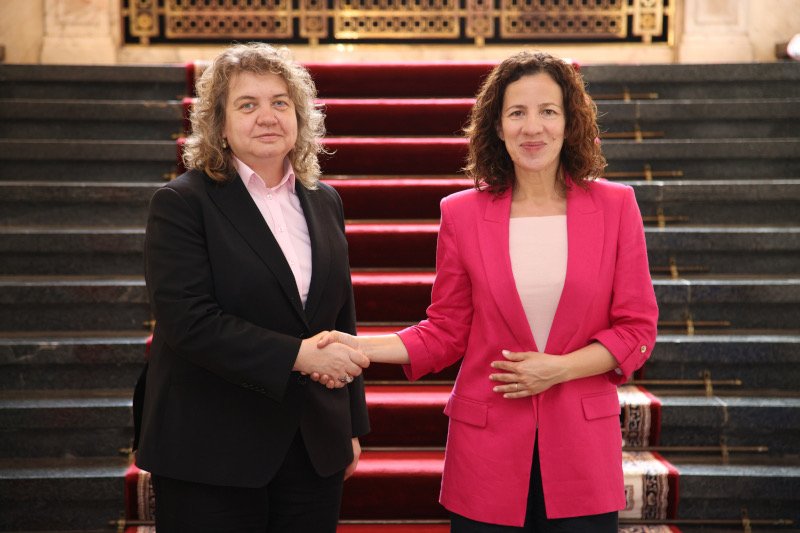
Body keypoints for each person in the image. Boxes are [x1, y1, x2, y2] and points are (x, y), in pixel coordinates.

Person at [317, 50, 658, 531]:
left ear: (569, 122)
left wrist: (558, 369)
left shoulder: (616, 206)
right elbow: (445, 331)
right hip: (487, 451)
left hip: (582, 451)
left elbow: (636, 329)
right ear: (497, 126)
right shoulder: (462, 214)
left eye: (548, 111)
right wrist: (359, 347)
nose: (532, 127)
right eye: (516, 113)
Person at [133, 42, 370, 533]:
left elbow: (338, 318)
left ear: (299, 117)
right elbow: (188, 322)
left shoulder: (324, 200)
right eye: (247, 104)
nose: (268, 116)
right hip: (211, 447)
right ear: (219, 124)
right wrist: (298, 356)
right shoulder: (181, 203)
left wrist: (348, 424)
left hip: (312, 445)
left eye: (280, 102)